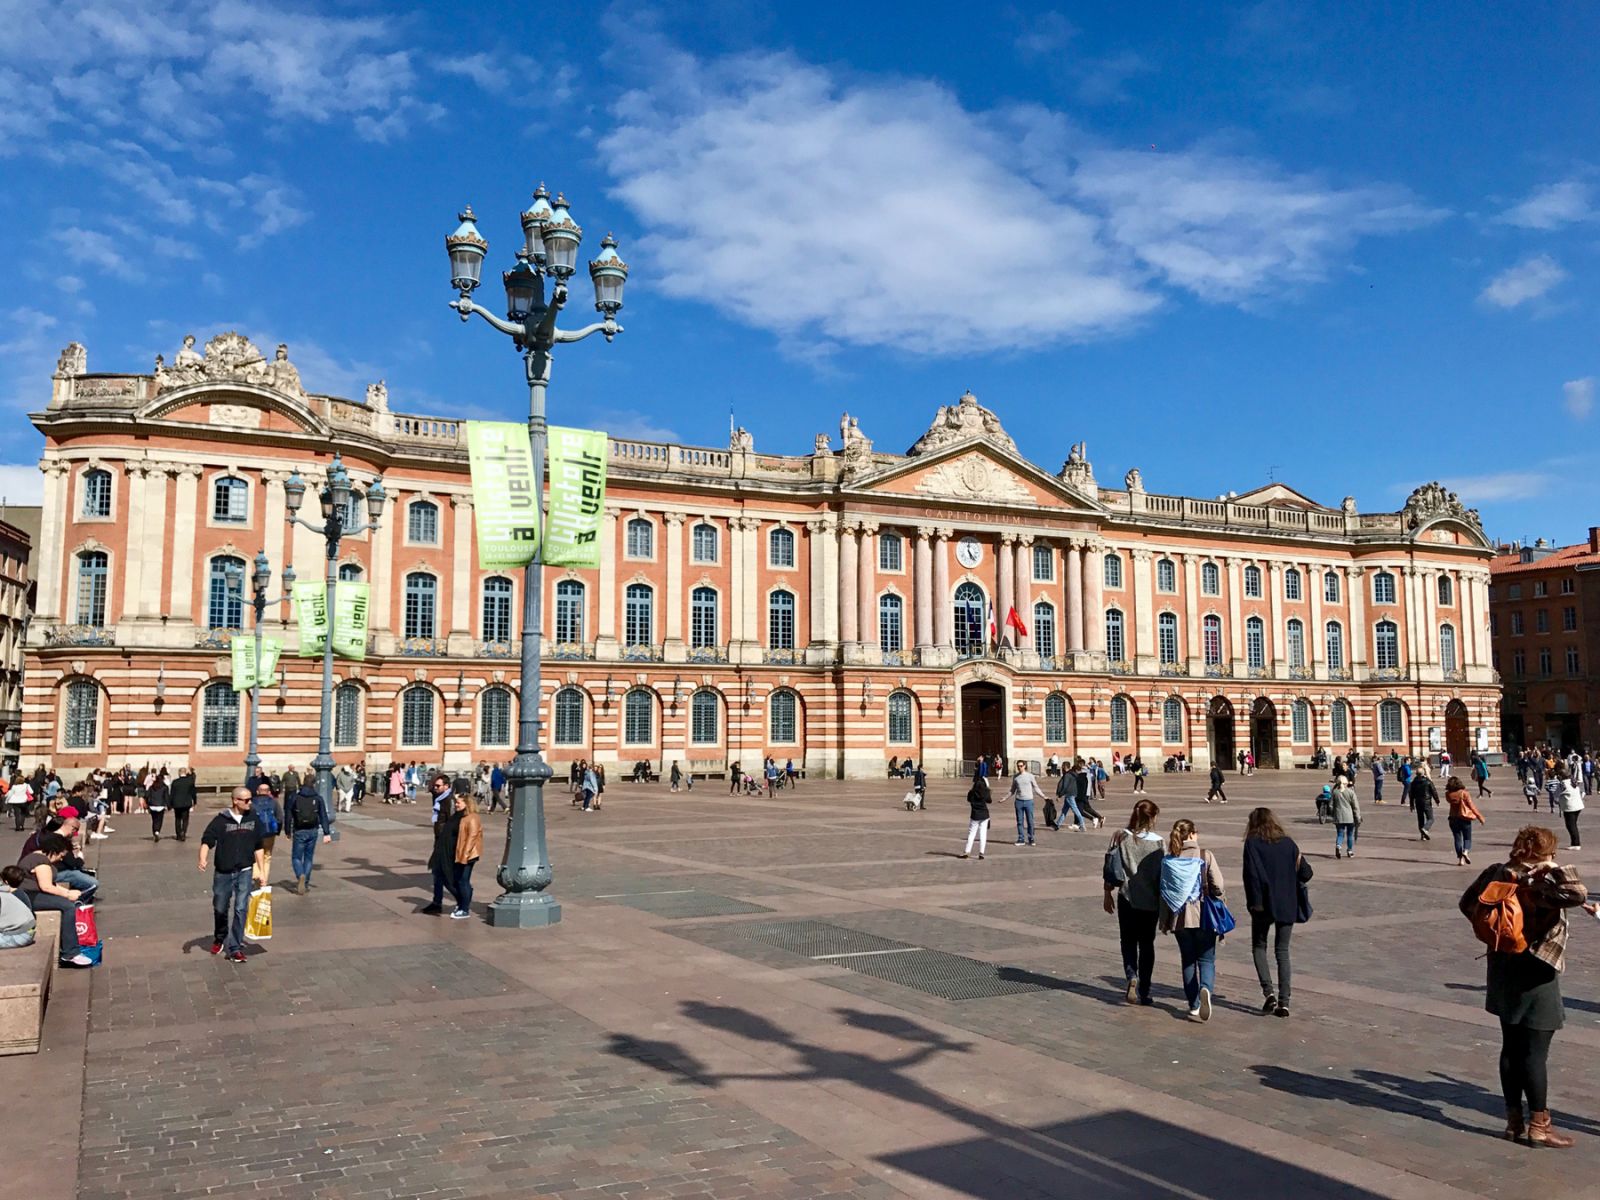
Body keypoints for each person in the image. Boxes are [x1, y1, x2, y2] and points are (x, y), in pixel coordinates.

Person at [1459, 825, 1592, 1146]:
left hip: (1503, 965)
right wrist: (1552, 868)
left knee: (1511, 1046)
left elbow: (1467, 904)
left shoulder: (1498, 873)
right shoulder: (1544, 883)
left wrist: (1497, 932)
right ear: (1545, 853)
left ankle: (1513, 1122)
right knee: (1534, 1052)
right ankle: (1539, 1125)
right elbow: (1578, 893)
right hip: (1537, 970)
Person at [1242, 807, 1308, 1018]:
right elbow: (1307, 872)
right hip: (1287, 903)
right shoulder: (1288, 843)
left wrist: (1254, 902)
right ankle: (1284, 1002)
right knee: (1282, 951)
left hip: (1262, 904)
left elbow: (1250, 875)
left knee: (1259, 946)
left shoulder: (1252, 843)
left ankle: (1268, 993)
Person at [1158, 818, 1225, 1021]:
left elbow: (1164, 891)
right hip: (1204, 915)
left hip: (1179, 918)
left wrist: (1164, 920)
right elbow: (1219, 887)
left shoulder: (1169, 860)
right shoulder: (1205, 855)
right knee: (1206, 959)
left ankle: (1194, 1004)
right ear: (1193, 834)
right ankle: (1206, 988)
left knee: (1188, 960)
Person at [1103, 798, 1164, 1005]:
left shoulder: (1121, 836)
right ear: (1153, 817)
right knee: (1147, 944)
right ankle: (1145, 991)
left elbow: (1110, 865)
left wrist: (1107, 892)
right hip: (1150, 901)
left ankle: (1132, 976)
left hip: (1126, 897)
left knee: (1127, 940)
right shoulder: (1159, 843)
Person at [199, 787, 266, 963]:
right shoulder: (221, 821)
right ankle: (220, 937)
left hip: (245, 870)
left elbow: (259, 846)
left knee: (241, 908)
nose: (250, 803)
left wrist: (262, 872)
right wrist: (203, 859)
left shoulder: (253, 819)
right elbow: (207, 840)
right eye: (246, 800)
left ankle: (235, 947)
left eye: (250, 799)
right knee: (220, 907)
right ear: (235, 801)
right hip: (223, 872)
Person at [286, 777, 333, 895]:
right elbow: (323, 816)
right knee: (308, 857)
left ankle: (300, 874)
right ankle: (305, 883)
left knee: (296, 857)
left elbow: (288, 814)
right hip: (313, 830)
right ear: (313, 785)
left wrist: (287, 830)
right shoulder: (318, 798)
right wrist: (327, 833)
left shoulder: (295, 797)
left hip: (299, 830)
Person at [423, 783, 463, 915]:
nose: (435, 788)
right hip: (440, 841)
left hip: (446, 843)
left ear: (446, 786)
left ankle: (463, 901)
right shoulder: (439, 798)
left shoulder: (449, 801)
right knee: (437, 874)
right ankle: (437, 902)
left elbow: (452, 823)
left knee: (444, 875)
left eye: (438, 785)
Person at [449, 786, 483, 920]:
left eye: (458, 802)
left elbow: (471, 838)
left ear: (466, 803)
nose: (456, 804)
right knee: (458, 880)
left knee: (463, 881)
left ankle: (464, 908)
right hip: (461, 853)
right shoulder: (463, 817)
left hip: (468, 855)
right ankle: (462, 903)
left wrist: (464, 856)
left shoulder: (472, 818)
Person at [1446, 774, 1487, 866]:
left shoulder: (1448, 794)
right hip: (1464, 818)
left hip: (1452, 818)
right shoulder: (1464, 793)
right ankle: (1465, 851)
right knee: (1467, 838)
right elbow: (1472, 807)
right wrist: (1480, 817)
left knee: (1457, 838)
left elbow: (1451, 801)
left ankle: (1460, 859)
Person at [251, 782, 284, 881]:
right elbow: (280, 817)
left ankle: (256, 874)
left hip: (256, 833)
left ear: (257, 791)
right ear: (269, 792)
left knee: (255, 855)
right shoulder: (274, 802)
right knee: (267, 857)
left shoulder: (252, 802)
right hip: (270, 833)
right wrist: (277, 831)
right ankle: (264, 878)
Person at [0, 864, 36, 948]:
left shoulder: (10, 895)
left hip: (18, 934)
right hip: (27, 930)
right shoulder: (20, 894)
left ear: (6, 881)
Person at [960, 771, 990, 860]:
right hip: (984, 815)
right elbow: (989, 800)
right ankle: (981, 852)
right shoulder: (985, 792)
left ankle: (967, 851)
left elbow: (968, 799)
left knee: (971, 833)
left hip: (975, 815)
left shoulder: (971, 793)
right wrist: (987, 789)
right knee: (983, 834)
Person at [1010, 761, 1040, 846]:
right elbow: (1012, 790)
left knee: (1030, 821)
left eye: (1021, 766)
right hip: (1019, 801)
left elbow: (1036, 787)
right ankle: (1021, 838)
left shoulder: (1030, 776)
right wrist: (1005, 798)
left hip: (1028, 801)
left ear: (1025, 766)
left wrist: (1044, 796)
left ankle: (1031, 838)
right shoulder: (1015, 777)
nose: (1019, 767)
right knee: (1019, 821)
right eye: (1018, 766)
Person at [1556, 768, 1583, 850]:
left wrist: (1557, 801)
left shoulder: (1562, 784)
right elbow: (1582, 792)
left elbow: (1556, 795)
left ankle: (1576, 844)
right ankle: (1574, 843)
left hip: (1569, 807)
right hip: (1578, 806)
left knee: (1570, 825)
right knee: (1573, 824)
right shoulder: (1573, 782)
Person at [168, 767, 197, 842]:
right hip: (186, 803)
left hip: (177, 803)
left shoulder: (175, 782)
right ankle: (183, 832)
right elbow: (193, 792)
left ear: (179, 773)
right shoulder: (190, 781)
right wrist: (195, 801)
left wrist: (170, 804)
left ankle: (178, 834)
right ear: (185, 773)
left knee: (177, 819)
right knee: (185, 819)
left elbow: (172, 794)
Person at [1411, 767, 1439, 842]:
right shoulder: (1428, 781)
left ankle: (1422, 836)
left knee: (1420, 819)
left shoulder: (1414, 782)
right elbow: (1434, 791)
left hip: (1418, 802)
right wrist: (1437, 800)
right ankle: (1425, 828)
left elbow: (1411, 794)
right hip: (1426, 802)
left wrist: (1411, 804)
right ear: (1423, 773)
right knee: (1430, 818)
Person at [1054, 767, 1083, 831]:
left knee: (1075, 810)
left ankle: (1082, 825)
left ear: (1065, 767)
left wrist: (1060, 795)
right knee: (1064, 810)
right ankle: (1058, 824)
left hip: (1069, 794)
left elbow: (1065, 786)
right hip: (1072, 793)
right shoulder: (1073, 774)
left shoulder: (1067, 775)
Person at [145, 769, 169, 841]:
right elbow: (166, 797)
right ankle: (157, 831)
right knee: (160, 819)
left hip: (152, 805)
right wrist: (169, 805)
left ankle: (154, 831)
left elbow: (147, 795)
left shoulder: (151, 787)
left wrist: (148, 804)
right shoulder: (165, 787)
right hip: (161, 805)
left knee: (154, 820)